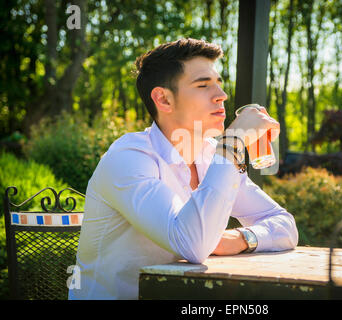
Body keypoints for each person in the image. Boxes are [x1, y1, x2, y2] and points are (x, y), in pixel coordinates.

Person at [69, 38, 298, 300]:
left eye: (219, 84)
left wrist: (243, 238)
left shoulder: (211, 154)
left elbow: (285, 225)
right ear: (163, 99)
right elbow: (193, 244)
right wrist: (233, 142)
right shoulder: (128, 158)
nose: (221, 95)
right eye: (203, 85)